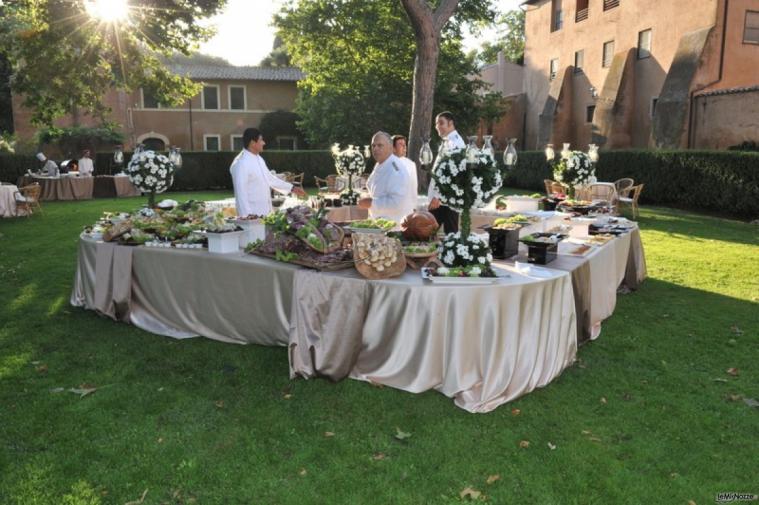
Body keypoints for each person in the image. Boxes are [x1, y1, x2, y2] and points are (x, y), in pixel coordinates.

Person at [230, 127, 305, 217]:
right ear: (252, 143)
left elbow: (270, 179)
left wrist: (292, 188)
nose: (264, 143)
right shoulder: (241, 163)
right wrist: (247, 218)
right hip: (252, 216)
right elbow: (240, 193)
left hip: (265, 213)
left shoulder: (259, 158)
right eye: (261, 140)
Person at [358, 131, 413, 226]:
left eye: (380, 145)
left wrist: (372, 203)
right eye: (373, 146)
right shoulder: (381, 164)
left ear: (391, 148)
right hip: (379, 224)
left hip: (393, 228)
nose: (375, 149)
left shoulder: (396, 169)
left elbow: (397, 202)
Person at [427, 111, 465, 233]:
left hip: (446, 200)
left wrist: (438, 196)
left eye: (441, 123)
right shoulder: (448, 141)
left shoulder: (456, 144)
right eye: (436, 123)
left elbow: (452, 173)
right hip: (443, 200)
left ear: (451, 123)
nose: (437, 126)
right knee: (429, 232)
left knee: (443, 235)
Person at [391, 134, 418, 203]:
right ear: (393, 148)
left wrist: (414, 205)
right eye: (400, 144)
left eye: (404, 144)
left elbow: (414, 187)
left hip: (407, 204)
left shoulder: (411, 164)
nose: (404, 146)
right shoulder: (389, 163)